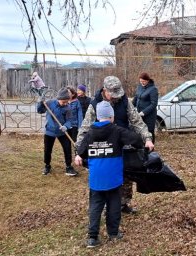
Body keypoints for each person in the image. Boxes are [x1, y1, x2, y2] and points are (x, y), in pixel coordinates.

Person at [76, 76, 154, 214]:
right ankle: (106, 206)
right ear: (105, 90)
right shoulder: (94, 104)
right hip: (103, 146)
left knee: (126, 175)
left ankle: (123, 203)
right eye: (113, 94)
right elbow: (85, 128)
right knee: (105, 176)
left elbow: (137, 121)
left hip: (123, 143)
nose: (116, 97)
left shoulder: (124, 101)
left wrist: (147, 138)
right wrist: (78, 152)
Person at [75, 101, 143, 248]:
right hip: (113, 179)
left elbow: (81, 150)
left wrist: (79, 155)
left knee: (95, 207)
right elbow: (137, 140)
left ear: (98, 117)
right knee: (114, 205)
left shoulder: (90, 133)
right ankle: (113, 233)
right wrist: (138, 146)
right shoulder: (117, 131)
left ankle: (92, 238)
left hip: (96, 180)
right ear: (111, 117)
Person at [37, 88, 78, 176]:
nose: (65, 103)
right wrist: (40, 102)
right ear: (59, 99)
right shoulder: (49, 103)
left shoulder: (68, 107)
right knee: (47, 150)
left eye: (67, 101)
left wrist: (66, 126)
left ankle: (68, 167)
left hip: (62, 132)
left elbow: (70, 120)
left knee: (67, 149)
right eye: (63, 101)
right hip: (49, 131)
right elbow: (40, 111)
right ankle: (47, 166)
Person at [132, 72, 159, 143]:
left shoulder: (153, 89)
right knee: (140, 130)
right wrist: (131, 107)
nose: (142, 83)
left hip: (149, 115)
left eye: (143, 81)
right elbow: (136, 97)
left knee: (149, 131)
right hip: (139, 114)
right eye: (140, 81)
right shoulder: (139, 87)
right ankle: (142, 148)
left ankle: (151, 149)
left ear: (148, 80)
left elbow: (154, 104)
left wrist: (143, 112)